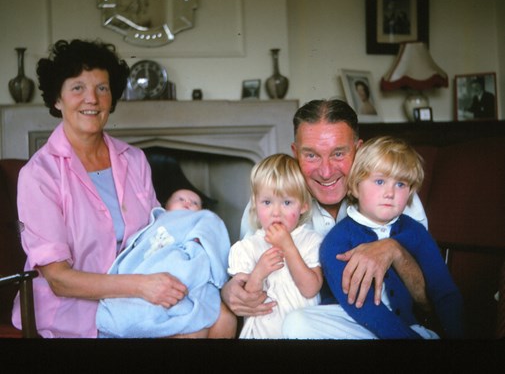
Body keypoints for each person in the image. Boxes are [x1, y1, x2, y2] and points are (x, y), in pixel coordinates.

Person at [11, 39, 235, 338]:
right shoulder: (39, 176)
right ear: (57, 99)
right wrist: (142, 286)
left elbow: (155, 237)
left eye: (102, 88)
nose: (92, 98)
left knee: (223, 317)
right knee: (190, 332)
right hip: (76, 309)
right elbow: (60, 281)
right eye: (77, 87)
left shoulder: (134, 159)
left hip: (140, 293)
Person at [221, 98, 429, 338]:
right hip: (309, 327)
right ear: (295, 153)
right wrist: (229, 293)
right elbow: (243, 270)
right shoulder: (269, 206)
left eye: (338, 153)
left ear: (358, 150)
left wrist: (395, 251)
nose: (326, 171)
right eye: (311, 156)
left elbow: (429, 299)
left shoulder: (395, 197)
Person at [320, 136, 464, 339]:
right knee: (298, 322)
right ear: (354, 187)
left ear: (411, 192)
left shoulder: (415, 232)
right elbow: (362, 306)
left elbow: (445, 293)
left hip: (410, 327)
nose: (390, 192)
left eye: (401, 184)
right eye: (380, 181)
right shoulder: (336, 241)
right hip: (357, 324)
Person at [96, 186, 233, 338]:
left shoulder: (201, 219)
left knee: (208, 321)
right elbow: (138, 247)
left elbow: (213, 240)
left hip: (180, 278)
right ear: (165, 206)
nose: (187, 202)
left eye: (194, 203)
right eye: (180, 199)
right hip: (148, 271)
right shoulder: (156, 222)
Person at [227, 154, 324, 338]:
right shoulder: (247, 247)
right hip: (261, 334)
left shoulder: (311, 241)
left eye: (287, 202)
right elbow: (245, 301)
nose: (276, 212)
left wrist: (289, 248)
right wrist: (258, 273)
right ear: (255, 204)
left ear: (303, 205)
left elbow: (310, 289)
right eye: (267, 202)